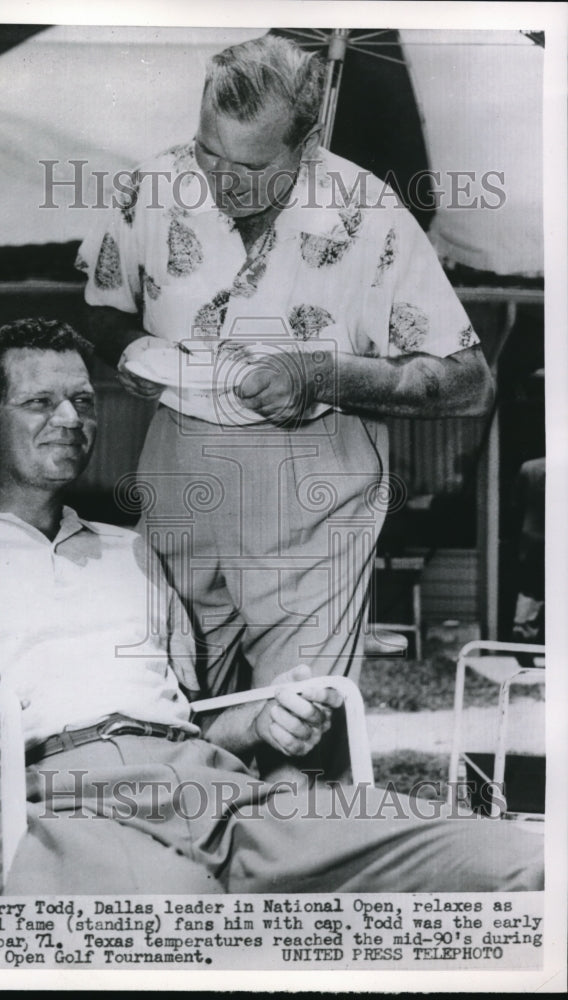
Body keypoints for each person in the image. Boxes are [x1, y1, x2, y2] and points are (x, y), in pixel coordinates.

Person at [0, 318, 539, 896]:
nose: (72, 420)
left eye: (83, 401)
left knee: (510, 864)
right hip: (34, 805)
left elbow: (191, 714)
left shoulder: (132, 552)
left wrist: (263, 719)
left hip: (212, 791)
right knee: (175, 915)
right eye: (40, 402)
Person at [77, 34, 494, 777]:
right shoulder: (152, 187)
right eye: (209, 152)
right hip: (179, 484)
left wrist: (328, 376)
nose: (220, 181)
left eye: (251, 166)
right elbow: (103, 312)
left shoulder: (368, 215)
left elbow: (468, 381)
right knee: (161, 724)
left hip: (314, 503)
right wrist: (134, 353)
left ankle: (287, 866)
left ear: (306, 146)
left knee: (294, 735)